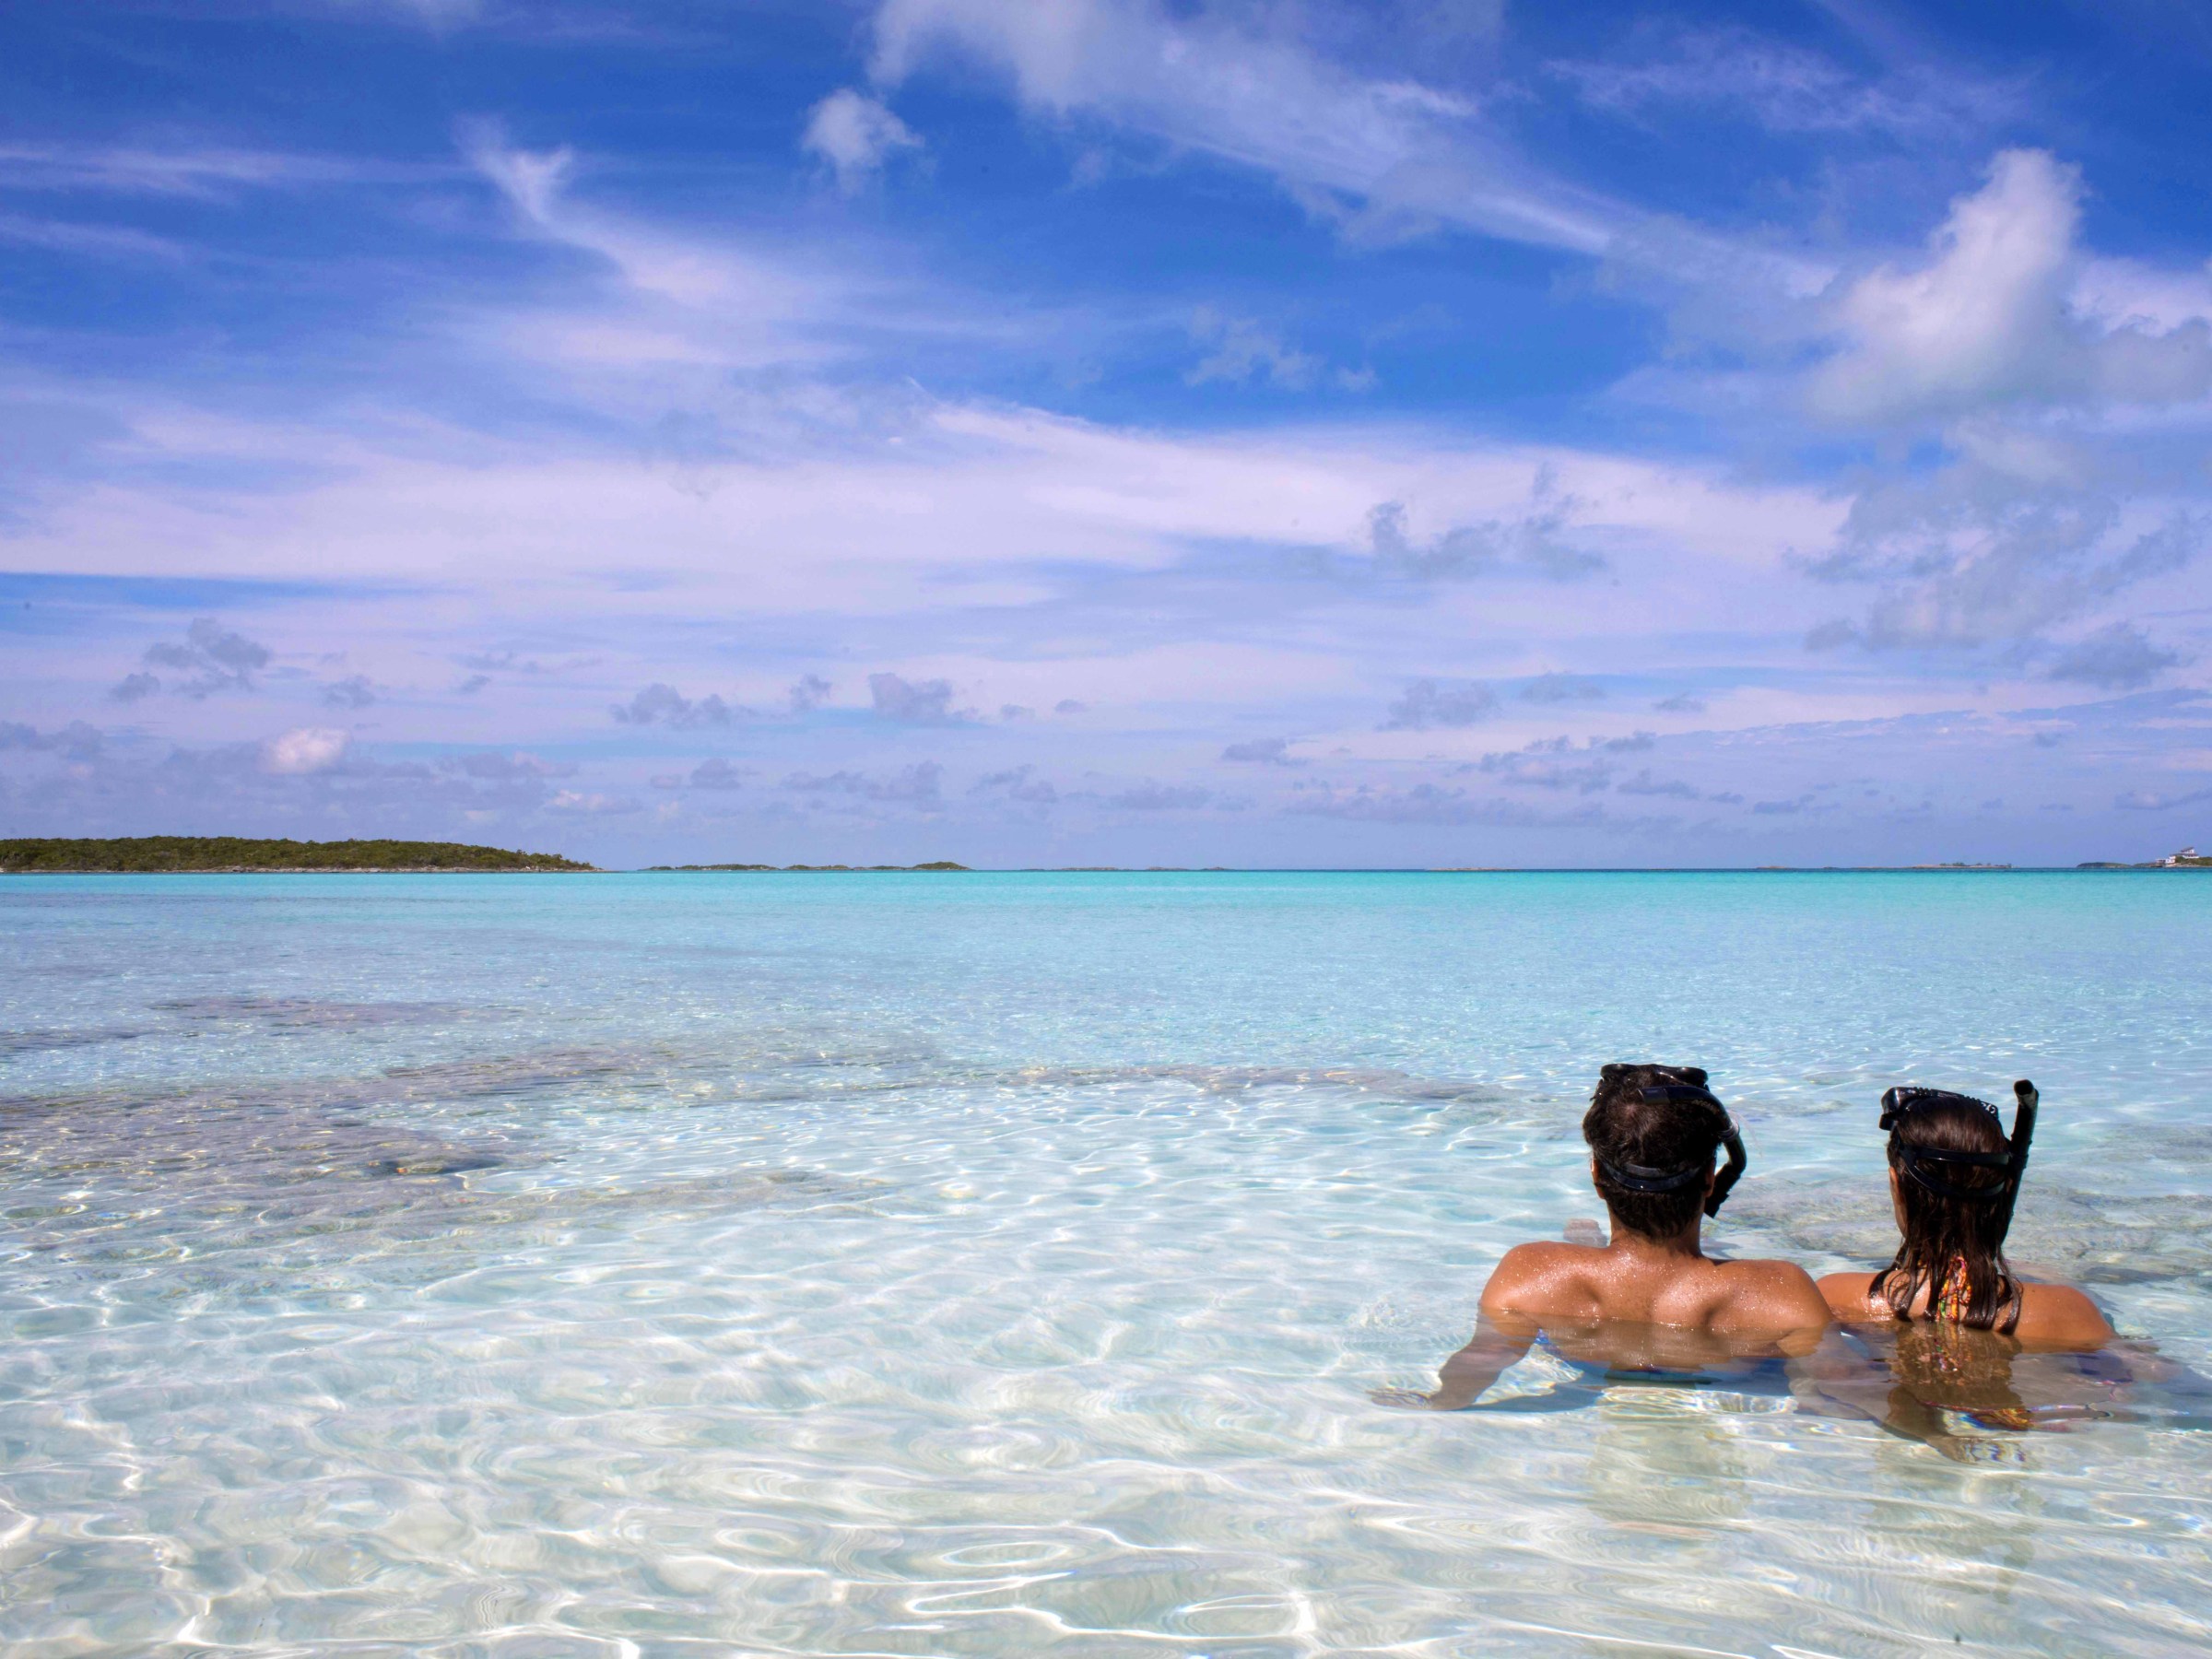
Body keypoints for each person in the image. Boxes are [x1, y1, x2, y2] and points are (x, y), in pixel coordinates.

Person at [1405, 1064, 1833, 1410]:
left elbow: (1482, 1360)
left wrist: (1438, 1403)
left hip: (1587, 1353)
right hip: (1725, 1379)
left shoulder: (1530, 1273)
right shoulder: (1781, 1292)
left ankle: (1588, 1244)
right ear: (1709, 1178)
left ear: (1596, 1177)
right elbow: (1846, 1384)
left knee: (1583, 1248)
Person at [1817, 1080, 2112, 1347]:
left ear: (1896, 1186)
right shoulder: (2072, 1313)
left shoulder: (1836, 1297)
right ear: (2001, 1192)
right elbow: (2145, 1375)